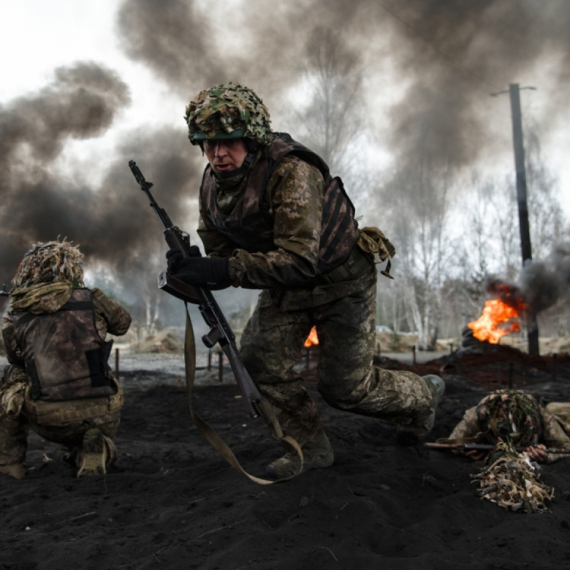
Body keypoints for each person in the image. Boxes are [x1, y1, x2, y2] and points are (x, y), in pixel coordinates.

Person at [166, 82, 445, 479]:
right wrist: (195, 265)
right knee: (258, 363)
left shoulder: (291, 171)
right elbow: (224, 253)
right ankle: (308, 448)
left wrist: (222, 271)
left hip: (341, 282)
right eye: (207, 143)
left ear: (253, 138)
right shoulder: (213, 185)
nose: (218, 154)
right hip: (287, 286)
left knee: (346, 389)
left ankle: (424, 395)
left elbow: (298, 259)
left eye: (228, 141)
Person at [0, 240, 131, 479]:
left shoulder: (16, 314)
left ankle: (10, 463)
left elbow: (14, 357)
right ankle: (93, 450)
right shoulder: (92, 300)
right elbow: (123, 325)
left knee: (11, 377)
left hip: (51, 418)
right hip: (105, 412)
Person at [441, 389, 570, 464]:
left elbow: (566, 448)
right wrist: (465, 451)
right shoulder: (478, 416)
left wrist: (547, 455)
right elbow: (451, 443)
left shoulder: (541, 417)